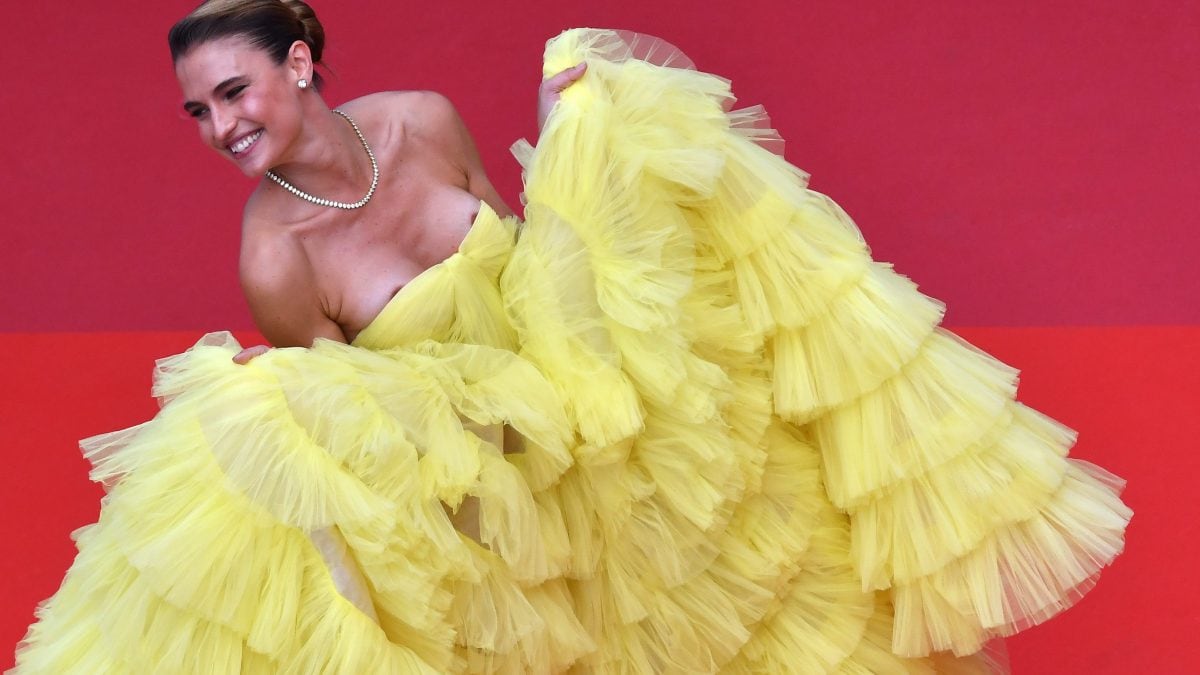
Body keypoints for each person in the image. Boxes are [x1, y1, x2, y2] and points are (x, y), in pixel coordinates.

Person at [13, 1, 1132, 673]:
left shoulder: (423, 120)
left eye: (232, 92)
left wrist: (579, 143)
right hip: (496, 483)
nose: (221, 128)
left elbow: (524, 247)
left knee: (758, 598)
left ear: (298, 64)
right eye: (199, 112)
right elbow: (365, 443)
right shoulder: (277, 258)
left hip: (585, 385)